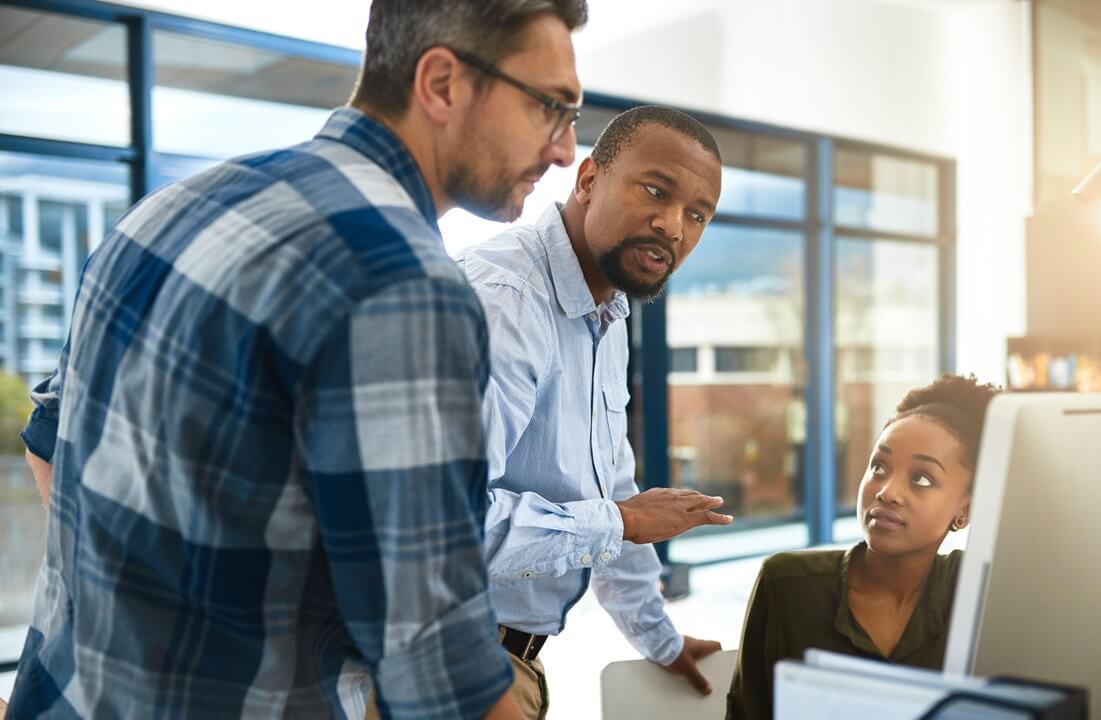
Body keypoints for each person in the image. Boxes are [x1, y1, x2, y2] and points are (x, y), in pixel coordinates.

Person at [9, 1, 588, 717]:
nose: (565, 150)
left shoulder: (171, 205)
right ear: (441, 83)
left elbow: (48, 446)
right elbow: (438, 671)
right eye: (550, 108)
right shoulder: (402, 283)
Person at [455, 105, 731, 719]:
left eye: (697, 214)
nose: (672, 226)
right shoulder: (509, 301)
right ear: (586, 180)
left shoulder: (607, 310)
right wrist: (621, 522)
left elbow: (614, 484)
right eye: (656, 191)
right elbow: (447, 526)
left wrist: (658, 639)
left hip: (512, 660)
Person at [725, 374, 1001, 719]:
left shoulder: (978, 593)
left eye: (921, 478)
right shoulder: (786, 587)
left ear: (965, 510)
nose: (886, 492)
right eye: (879, 467)